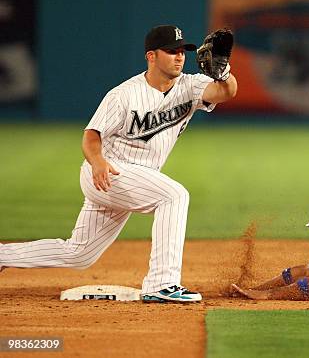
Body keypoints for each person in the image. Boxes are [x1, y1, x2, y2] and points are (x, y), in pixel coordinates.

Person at [0, 25, 237, 303]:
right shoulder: (124, 95)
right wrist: (98, 161)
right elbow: (91, 135)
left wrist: (224, 73)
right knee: (174, 196)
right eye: (171, 51)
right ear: (151, 56)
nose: (179, 57)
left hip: (136, 178)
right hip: (108, 172)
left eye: (182, 51)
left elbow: (226, 92)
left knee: (80, 254)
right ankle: (162, 284)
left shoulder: (190, 85)